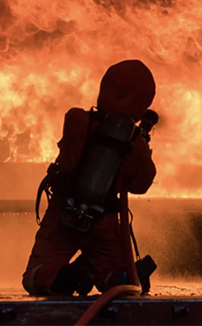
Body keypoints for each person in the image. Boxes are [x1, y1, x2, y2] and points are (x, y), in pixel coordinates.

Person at [22, 60, 157, 296]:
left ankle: (68, 277)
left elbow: (66, 158)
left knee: (36, 277)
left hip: (62, 215)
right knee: (117, 283)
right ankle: (115, 274)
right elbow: (141, 185)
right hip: (102, 222)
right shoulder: (135, 145)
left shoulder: (75, 120)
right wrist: (140, 146)